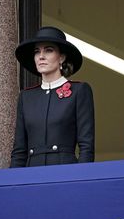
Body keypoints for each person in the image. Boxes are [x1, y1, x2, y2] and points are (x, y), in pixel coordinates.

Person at [10, 26, 95, 167]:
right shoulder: (26, 97)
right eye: (37, 52)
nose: (41, 56)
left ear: (61, 57)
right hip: (31, 174)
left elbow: (86, 147)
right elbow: (19, 151)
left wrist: (80, 179)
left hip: (65, 173)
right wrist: (14, 185)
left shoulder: (79, 91)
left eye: (48, 50)